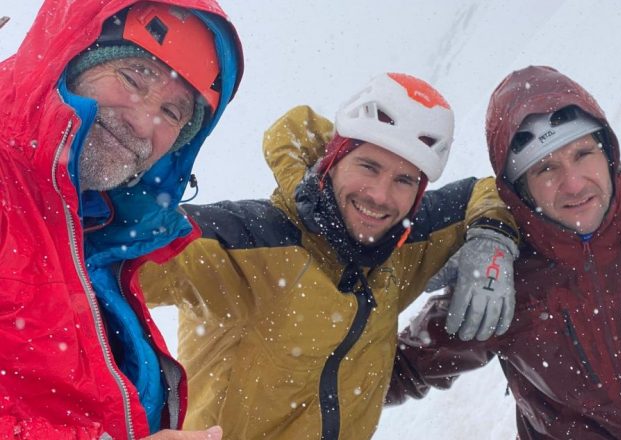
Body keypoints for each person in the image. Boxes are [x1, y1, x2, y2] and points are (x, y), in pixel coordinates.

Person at [141, 72, 520, 439]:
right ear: (333, 160)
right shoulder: (250, 244)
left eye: (404, 180)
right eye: (368, 166)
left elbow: (485, 193)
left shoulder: (399, 247)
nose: (379, 195)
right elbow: (100, 259)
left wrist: (492, 241)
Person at [386, 65, 621, 439]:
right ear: (520, 189)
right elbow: (391, 371)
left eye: (582, 153)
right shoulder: (503, 278)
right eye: (546, 168)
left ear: (607, 152)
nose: (574, 184)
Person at [0, 0, 243, 438]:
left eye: (173, 113)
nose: (143, 121)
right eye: (132, 77)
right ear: (68, 57)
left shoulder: (98, 234)